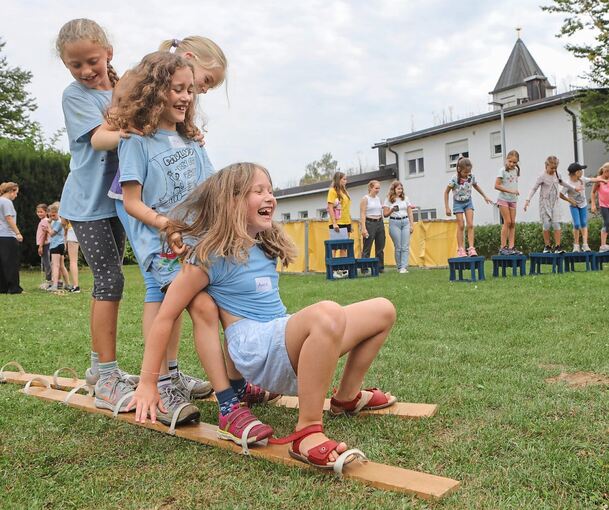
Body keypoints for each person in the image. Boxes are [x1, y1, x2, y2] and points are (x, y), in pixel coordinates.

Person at [129, 162, 397, 470]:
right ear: (231, 202)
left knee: (382, 309)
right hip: (252, 348)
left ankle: (346, 397)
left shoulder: (264, 244)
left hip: (279, 338)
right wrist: (148, 383)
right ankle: (307, 431)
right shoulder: (207, 256)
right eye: (258, 191)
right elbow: (165, 317)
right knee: (328, 313)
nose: (269, 197)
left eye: (270, 190)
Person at [90, 35, 229, 406]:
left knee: (165, 294)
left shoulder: (187, 135)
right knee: (166, 294)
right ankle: (163, 381)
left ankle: (173, 374)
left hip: (178, 230)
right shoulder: (137, 132)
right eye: (183, 88)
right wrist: (162, 223)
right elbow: (130, 192)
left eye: (194, 89)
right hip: (152, 222)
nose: (192, 94)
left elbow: (211, 183)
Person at [56, 18, 137, 406]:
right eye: (76, 65)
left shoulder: (122, 89)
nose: (86, 71)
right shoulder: (75, 97)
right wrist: (131, 133)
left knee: (114, 277)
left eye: (92, 61)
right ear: (67, 66)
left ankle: (97, 368)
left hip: (118, 200)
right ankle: (106, 378)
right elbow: (100, 139)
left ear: (108, 53)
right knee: (109, 280)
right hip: (88, 205)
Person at [444, 156, 493, 257]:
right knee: (461, 225)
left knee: (470, 225)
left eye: (468, 172)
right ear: (459, 169)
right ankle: (461, 249)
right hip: (457, 203)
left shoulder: (471, 176)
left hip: (468, 202)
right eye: (465, 173)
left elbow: (475, 186)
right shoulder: (454, 179)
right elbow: (446, 192)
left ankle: (471, 248)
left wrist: (485, 196)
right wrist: (447, 207)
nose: (467, 175)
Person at [524, 156, 573, 254]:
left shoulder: (557, 175)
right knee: (546, 224)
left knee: (556, 223)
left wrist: (574, 188)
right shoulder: (542, 176)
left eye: (555, 168)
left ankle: (558, 246)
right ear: (546, 166)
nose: (553, 170)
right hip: (544, 203)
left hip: (555, 202)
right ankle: (547, 246)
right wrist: (527, 200)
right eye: (551, 168)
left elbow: (562, 182)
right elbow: (534, 188)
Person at [560, 162, 608, 252]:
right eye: (581, 170)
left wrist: (602, 180)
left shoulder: (582, 179)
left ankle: (585, 245)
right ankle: (576, 245)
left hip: (583, 205)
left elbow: (592, 179)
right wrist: (570, 201)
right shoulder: (567, 183)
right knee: (577, 224)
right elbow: (561, 195)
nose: (582, 172)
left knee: (583, 223)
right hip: (573, 206)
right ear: (577, 172)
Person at [383, 180, 414, 273]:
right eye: (398, 189)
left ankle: (404, 267)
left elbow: (410, 212)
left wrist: (412, 225)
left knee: (405, 246)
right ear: (394, 189)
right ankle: (399, 266)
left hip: (405, 222)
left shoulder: (406, 198)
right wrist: (392, 209)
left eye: (401, 189)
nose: (400, 190)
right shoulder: (388, 199)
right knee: (398, 246)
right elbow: (385, 214)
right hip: (394, 222)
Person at [495, 150, 522, 255]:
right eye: (510, 161)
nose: (512, 164)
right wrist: (511, 191)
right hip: (503, 199)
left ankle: (511, 247)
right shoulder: (502, 171)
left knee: (513, 223)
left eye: (514, 162)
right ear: (506, 160)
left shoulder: (515, 171)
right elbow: (496, 185)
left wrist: (514, 193)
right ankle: (503, 247)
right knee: (507, 222)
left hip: (513, 200)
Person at [327, 171, 352, 278]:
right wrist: (334, 223)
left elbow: (346, 209)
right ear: (338, 179)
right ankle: (332, 270)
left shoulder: (345, 192)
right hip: (338, 223)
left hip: (346, 222)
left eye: (346, 179)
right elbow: (330, 208)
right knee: (335, 248)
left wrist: (350, 223)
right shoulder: (332, 191)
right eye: (344, 179)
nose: (346, 181)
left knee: (344, 247)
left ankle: (342, 269)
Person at [0, 182, 23, 294]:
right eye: (16, 193)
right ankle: (14, 288)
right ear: (11, 191)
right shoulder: (7, 202)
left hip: (0, 236)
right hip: (8, 236)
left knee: (2, 262)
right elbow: (9, 218)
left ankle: (3, 287)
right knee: (11, 263)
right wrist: (18, 233)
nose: (16, 195)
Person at [360, 180, 385, 272]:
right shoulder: (365, 199)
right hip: (369, 223)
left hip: (379, 222)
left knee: (380, 246)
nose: (378, 190)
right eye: (376, 188)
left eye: (379, 188)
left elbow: (380, 211)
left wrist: (381, 222)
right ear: (371, 188)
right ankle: (364, 267)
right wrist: (363, 228)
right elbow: (362, 213)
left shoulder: (378, 199)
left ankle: (379, 267)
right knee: (367, 246)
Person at [46, 202, 71, 293]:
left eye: (53, 215)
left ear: (58, 213)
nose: (52, 217)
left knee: (55, 265)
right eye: (50, 216)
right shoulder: (57, 221)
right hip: (59, 245)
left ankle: (55, 285)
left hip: (56, 245)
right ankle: (68, 284)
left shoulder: (59, 222)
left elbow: (52, 234)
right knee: (61, 265)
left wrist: (48, 225)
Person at [591, 162, 609, 252]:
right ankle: (602, 245)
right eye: (606, 172)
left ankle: (604, 245)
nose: (608, 174)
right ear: (603, 171)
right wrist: (593, 204)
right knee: (607, 223)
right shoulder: (599, 180)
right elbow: (593, 192)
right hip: (604, 205)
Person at [35, 203, 52, 289]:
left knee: (47, 263)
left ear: (46, 212)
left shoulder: (45, 221)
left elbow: (45, 234)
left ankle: (49, 281)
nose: (39, 213)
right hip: (45, 244)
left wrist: (40, 246)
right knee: (46, 262)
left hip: (45, 244)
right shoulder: (44, 221)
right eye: (38, 212)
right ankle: (49, 280)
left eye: (41, 212)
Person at [64, 220, 81, 293]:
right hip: (84, 229)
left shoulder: (67, 208)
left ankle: (76, 286)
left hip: (72, 230)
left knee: (73, 261)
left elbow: (63, 222)